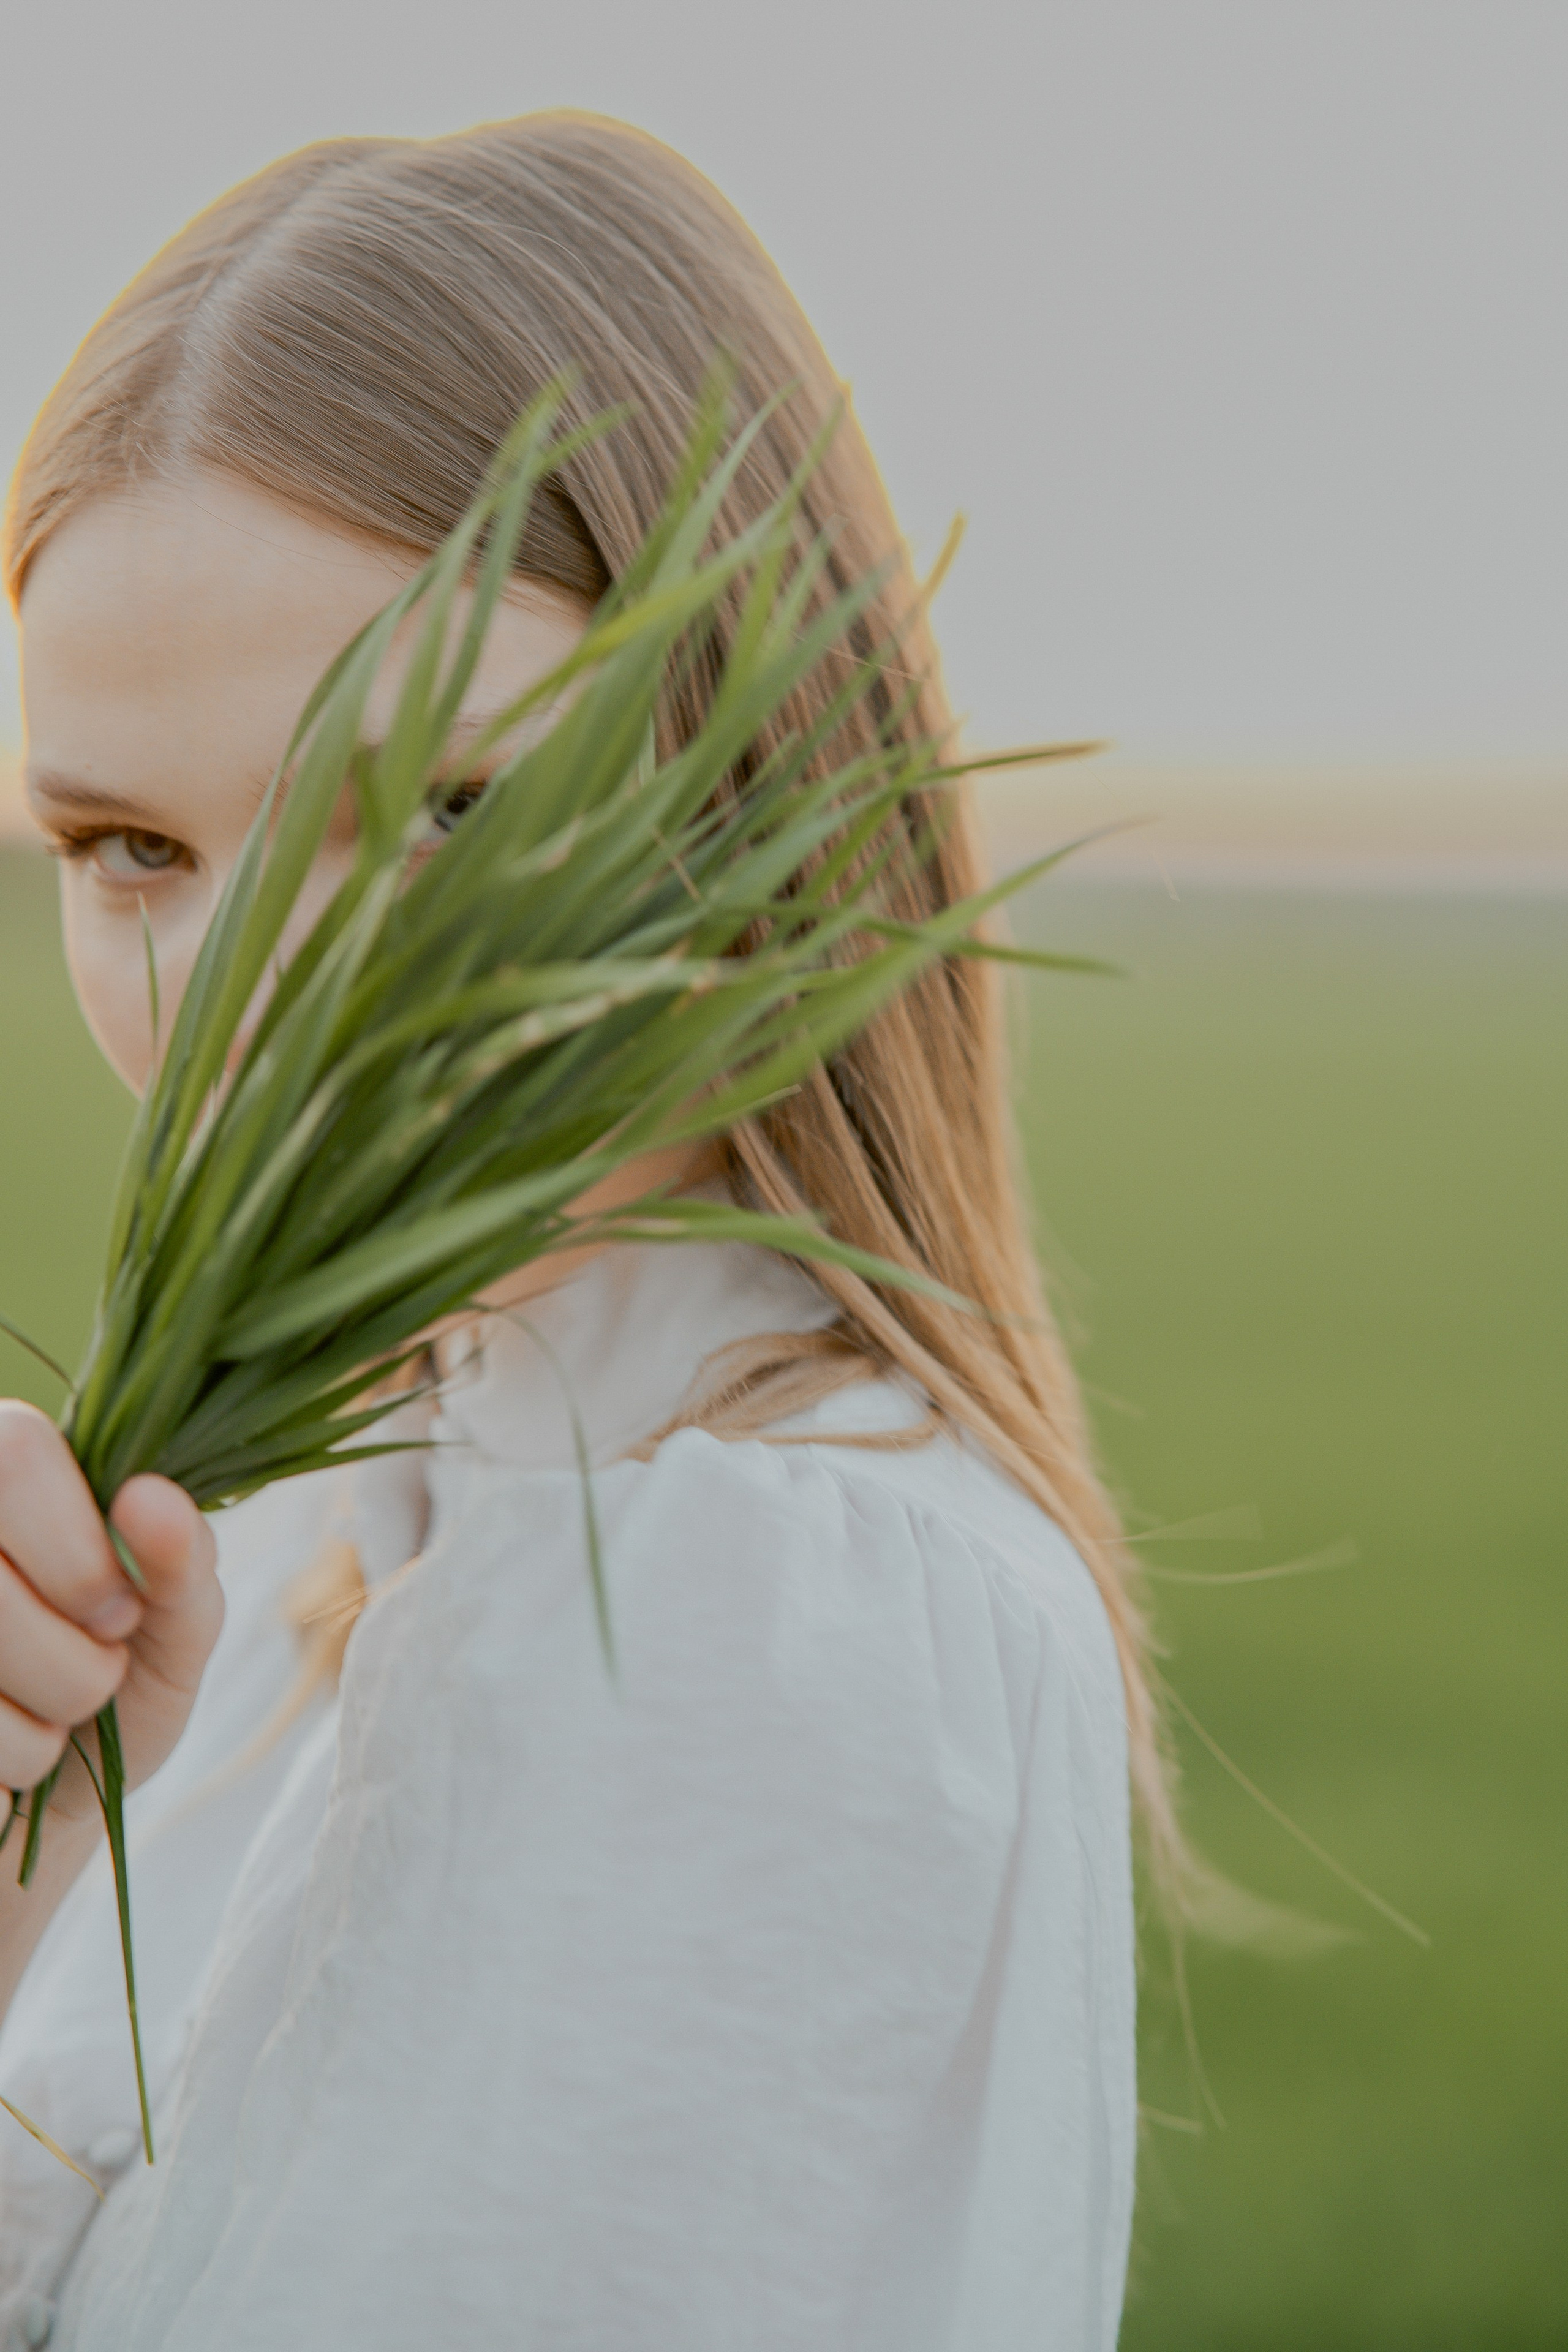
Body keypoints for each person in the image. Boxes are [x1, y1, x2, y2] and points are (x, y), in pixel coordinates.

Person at [0, 114, 1163, 2351]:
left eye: (445, 814)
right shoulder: (312, 1550)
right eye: (133, 848)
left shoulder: (761, 1637)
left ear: (760, 769)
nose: (249, 1013)